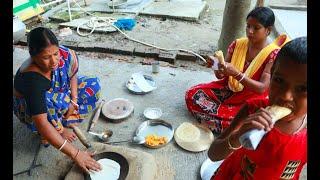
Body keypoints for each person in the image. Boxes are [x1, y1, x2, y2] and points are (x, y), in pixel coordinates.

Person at [208, 37, 307, 179]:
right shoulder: (252, 110)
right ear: (271, 75)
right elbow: (213, 154)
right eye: (279, 81)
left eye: (303, 88)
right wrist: (237, 136)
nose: (286, 96)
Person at [185, 7, 290, 134]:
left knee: (245, 118)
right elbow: (221, 76)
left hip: (250, 97)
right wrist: (215, 65)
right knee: (192, 94)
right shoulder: (237, 44)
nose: (250, 31)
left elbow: (262, 88)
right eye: (248, 26)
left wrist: (237, 74)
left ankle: (228, 123)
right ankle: (228, 125)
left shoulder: (273, 54)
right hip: (228, 89)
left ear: (268, 30)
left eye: (256, 28)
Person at [13, 27, 102, 173]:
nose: (54, 61)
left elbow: (72, 74)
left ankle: (64, 118)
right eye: (46, 57)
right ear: (33, 56)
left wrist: (73, 100)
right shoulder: (32, 80)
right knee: (50, 103)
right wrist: (76, 154)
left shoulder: (64, 54)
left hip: (59, 93)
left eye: (55, 54)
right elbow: (41, 123)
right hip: (32, 107)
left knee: (93, 84)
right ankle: (58, 129)